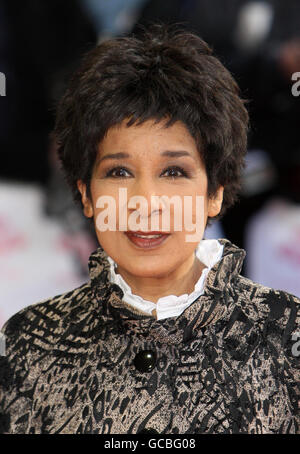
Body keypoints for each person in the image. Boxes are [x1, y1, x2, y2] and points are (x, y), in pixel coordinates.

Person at [0, 24, 299, 434]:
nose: (145, 201)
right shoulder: (27, 341)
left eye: (174, 171)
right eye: (119, 172)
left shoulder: (289, 336)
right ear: (85, 194)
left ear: (215, 193)